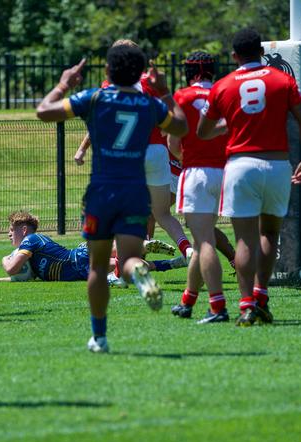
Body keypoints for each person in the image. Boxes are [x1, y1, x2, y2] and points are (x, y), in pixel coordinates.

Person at [37, 43, 188, 353]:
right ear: (139, 74)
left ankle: (100, 337)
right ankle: (141, 273)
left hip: (102, 192)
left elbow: (44, 111)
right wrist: (165, 92)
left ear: (107, 71)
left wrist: (65, 83)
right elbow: (182, 126)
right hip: (135, 192)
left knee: (97, 267)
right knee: (131, 259)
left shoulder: (93, 97)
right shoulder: (149, 104)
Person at [197, 28, 301, 326]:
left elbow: (202, 131)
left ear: (234, 55)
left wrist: (227, 125)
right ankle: (261, 296)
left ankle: (247, 303)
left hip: (241, 165)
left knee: (244, 239)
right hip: (277, 165)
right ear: (262, 52)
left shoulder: (223, 85)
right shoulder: (283, 79)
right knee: (270, 234)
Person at [74, 40, 193, 263]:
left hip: (129, 154)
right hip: (158, 151)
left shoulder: (109, 85)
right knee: (163, 214)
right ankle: (187, 250)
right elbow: (172, 119)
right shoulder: (152, 81)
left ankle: (124, 268)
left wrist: (82, 150)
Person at [168, 51, 232, 323]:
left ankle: (218, 306)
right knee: (201, 239)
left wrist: (190, 158)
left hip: (196, 173)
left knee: (204, 242)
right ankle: (187, 300)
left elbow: (173, 145)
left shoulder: (182, 96)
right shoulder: (225, 92)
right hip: (226, 172)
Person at [0, 211, 186, 282]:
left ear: (24, 230)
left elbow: (12, 268)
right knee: (125, 264)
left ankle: (148, 250)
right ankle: (169, 261)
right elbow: (22, 277)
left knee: (117, 259)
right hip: (79, 265)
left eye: (12, 229)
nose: (9, 234)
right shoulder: (31, 254)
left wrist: (3, 259)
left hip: (75, 261)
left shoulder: (31, 241)